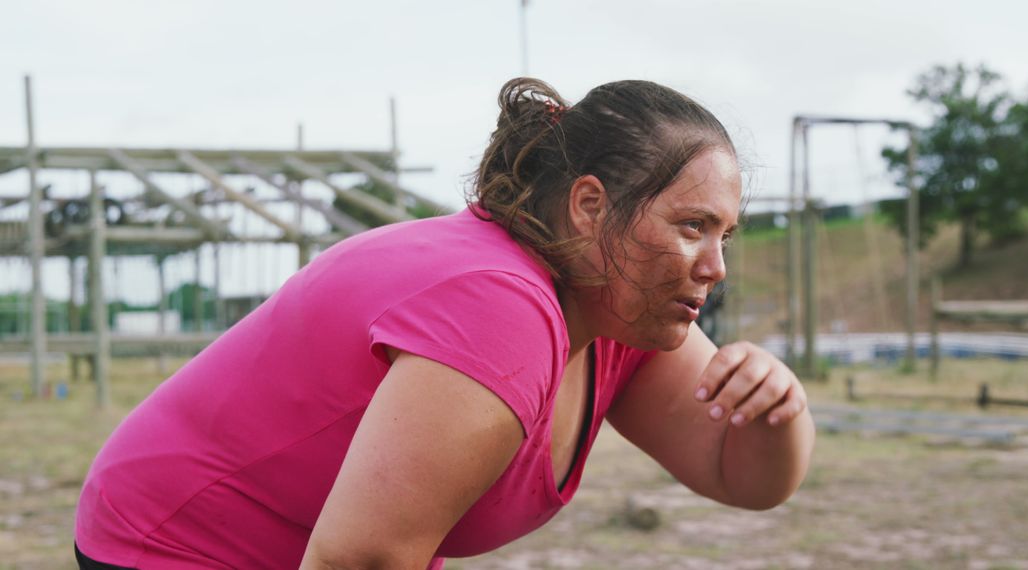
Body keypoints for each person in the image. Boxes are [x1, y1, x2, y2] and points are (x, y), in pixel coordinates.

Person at [74, 77, 814, 569]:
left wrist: (777, 410)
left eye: (726, 234)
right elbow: (360, 563)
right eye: (692, 226)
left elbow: (735, 473)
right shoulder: (498, 308)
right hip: (174, 543)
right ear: (590, 207)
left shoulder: (619, 309)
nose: (715, 265)